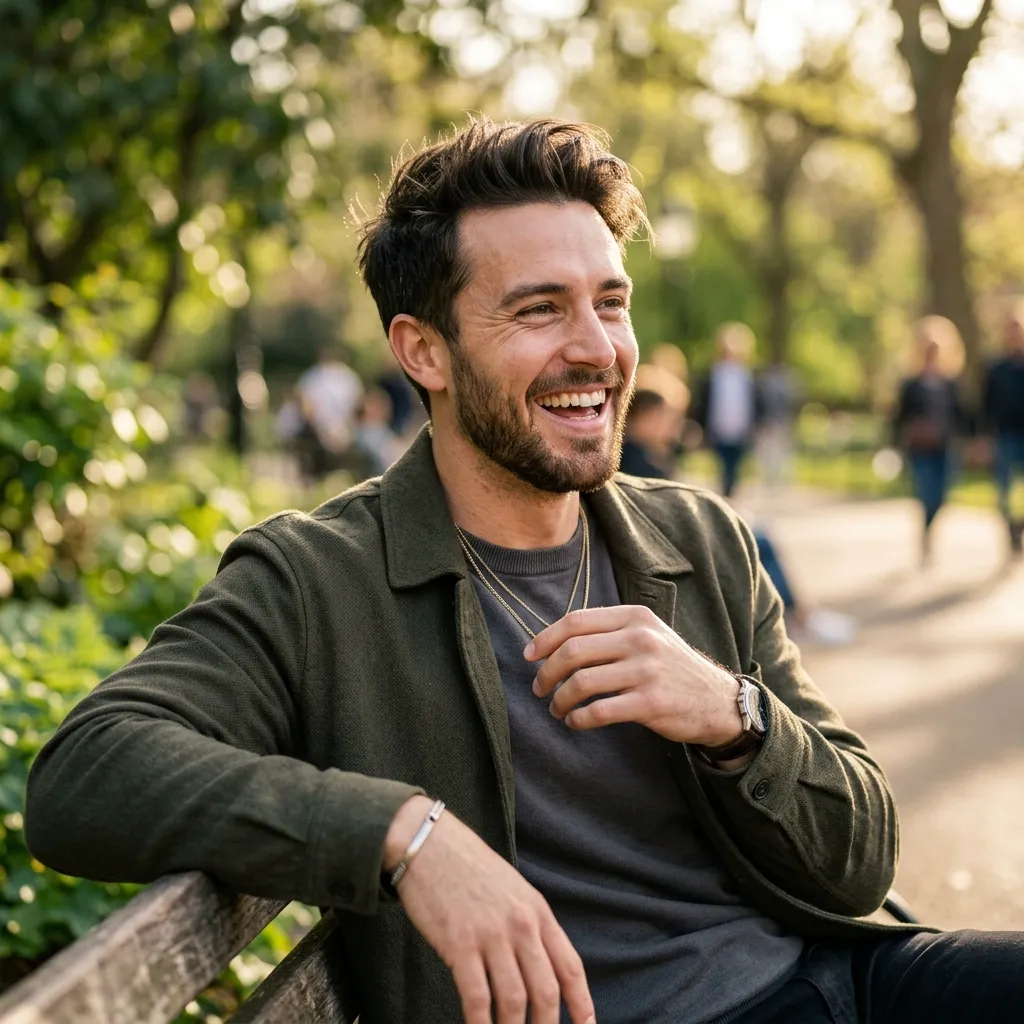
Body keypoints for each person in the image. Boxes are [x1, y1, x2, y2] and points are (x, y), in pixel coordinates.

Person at [25, 119, 1023, 1024]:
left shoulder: (699, 537)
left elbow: (860, 861)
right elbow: (85, 774)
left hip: (836, 983)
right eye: (540, 310)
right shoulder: (316, 578)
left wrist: (734, 714)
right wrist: (402, 832)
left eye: (610, 302)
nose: (595, 350)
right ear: (425, 351)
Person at [892, 316, 968, 565]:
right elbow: (898, 417)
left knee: (942, 496)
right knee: (927, 494)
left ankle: (929, 531)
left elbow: (962, 416)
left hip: (944, 447)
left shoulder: (950, 383)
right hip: (920, 449)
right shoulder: (911, 384)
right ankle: (925, 538)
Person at [693, 322, 759, 498]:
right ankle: (724, 496)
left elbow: (754, 403)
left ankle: (731, 496)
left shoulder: (747, 375)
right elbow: (703, 403)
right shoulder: (713, 374)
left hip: (740, 428)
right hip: (718, 427)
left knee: (736, 467)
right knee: (722, 466)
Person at [981, 302, 1024, 556]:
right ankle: (1010, 527)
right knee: (1004, 487)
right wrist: (984, 438)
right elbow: (986, 406)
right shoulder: (996, 369)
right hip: (1005, 435)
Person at [295, 344, 364, 476]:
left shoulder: (348, 378)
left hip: (345, 427)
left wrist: (347, 427)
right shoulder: (313, 376)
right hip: (317, 427)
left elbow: (357, 407)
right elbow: (305, 405)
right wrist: (321, 427)